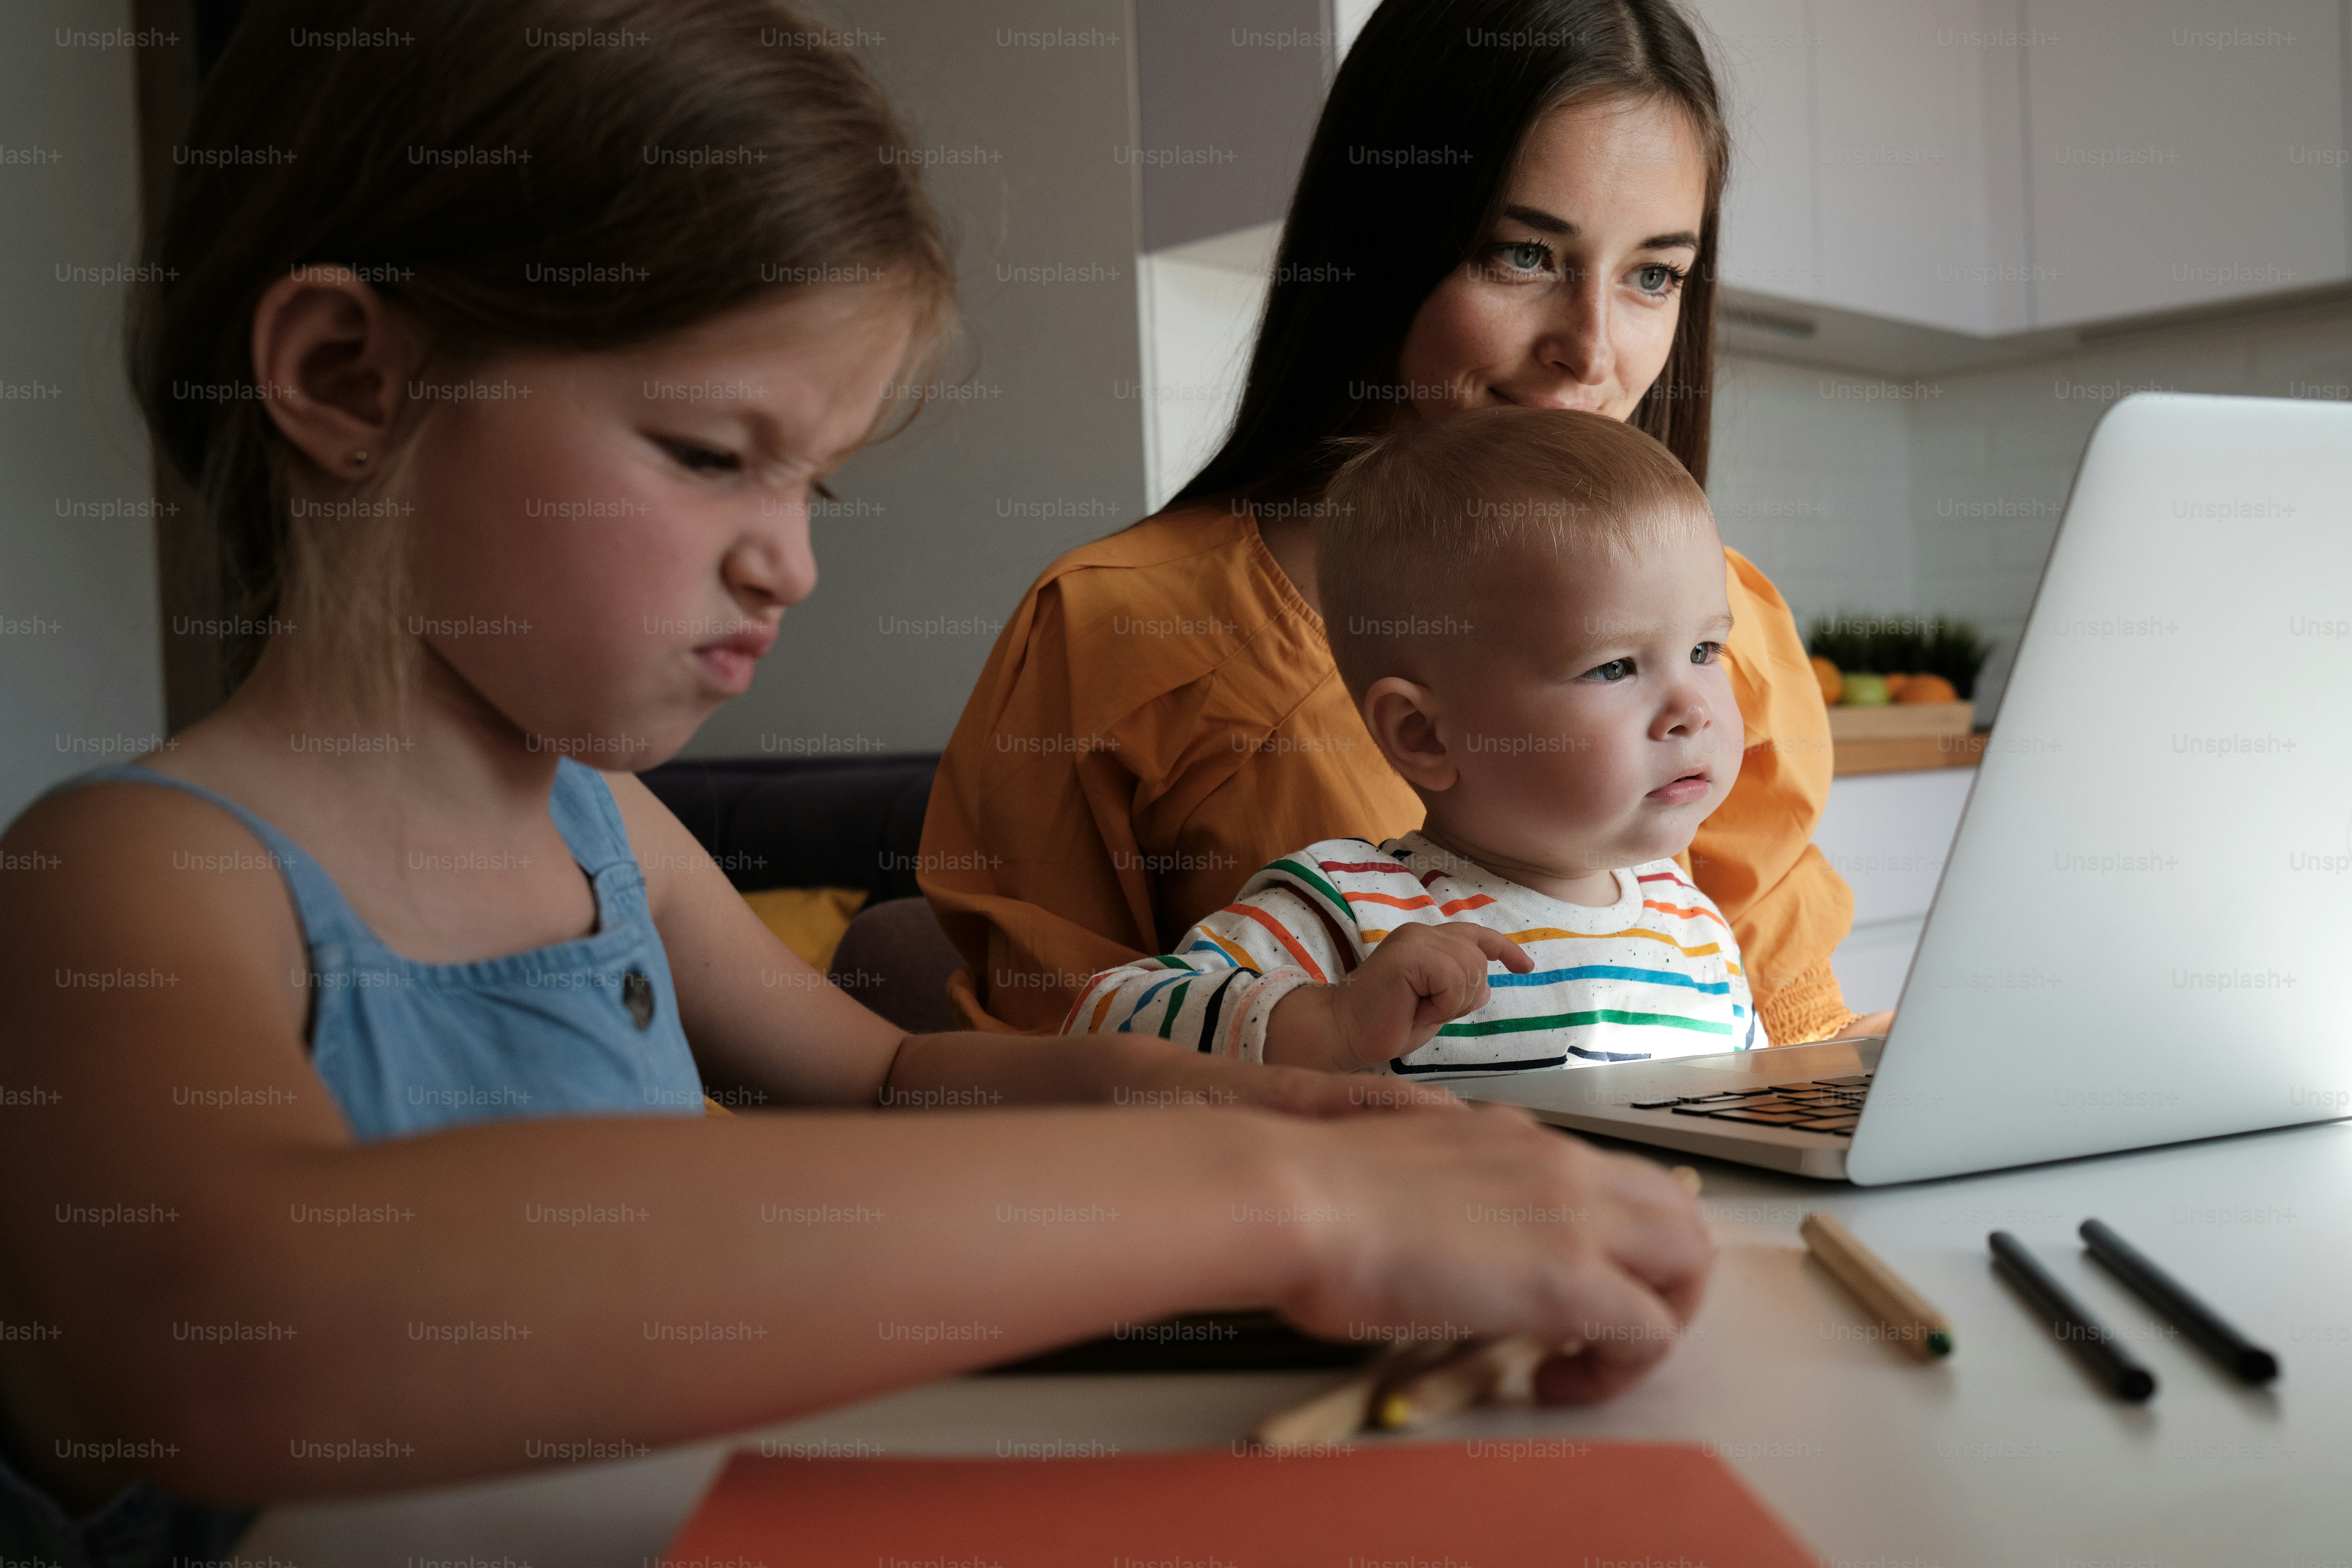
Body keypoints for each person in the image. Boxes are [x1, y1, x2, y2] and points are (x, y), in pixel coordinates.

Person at [0, 5, 1711, 1565]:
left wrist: (1273, 1106)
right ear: (347, 380)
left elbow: (895, 1079)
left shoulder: (609, 832)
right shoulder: (132, 877)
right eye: (707, 455)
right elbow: (239, 1320)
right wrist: (1273, 1206)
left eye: (815, 485)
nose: (791, 566)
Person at [923, 0, 1889, 1050]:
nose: (1592, 348)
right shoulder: (1113, 629)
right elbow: (1050, 1080)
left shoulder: (1733, 624)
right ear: (1380, 241)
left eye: (1653, 274)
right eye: (1523, 255)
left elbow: (1790, 1034)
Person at [1067, 406, 1768, 1075]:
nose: (1692, 710)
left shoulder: (1696, 926)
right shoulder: (1350, 910)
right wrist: (1331, 1024)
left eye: (1706, 650)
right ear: (1423, 735)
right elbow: (1099, 1027)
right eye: (1613, 666)